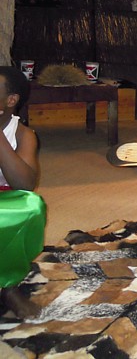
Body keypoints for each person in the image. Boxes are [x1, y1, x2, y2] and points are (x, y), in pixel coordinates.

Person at [0, 66, 45, 319]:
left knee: (32, 206)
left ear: (11, 100)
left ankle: (8, 286)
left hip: (5, 199)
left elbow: (25, 185)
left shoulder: (23, 134)